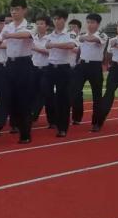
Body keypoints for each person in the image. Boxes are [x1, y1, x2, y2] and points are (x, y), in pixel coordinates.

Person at [0, 0, 33, 143]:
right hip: (9, 64)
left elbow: (26, 35)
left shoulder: (30, 25)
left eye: (17, 9)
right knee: (4, 95)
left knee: (22, 100)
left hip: (24, 64)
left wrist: (9, 35)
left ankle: (25, 134)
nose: (14, 12)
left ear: (24, 10)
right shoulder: (8, 26)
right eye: (12, 10)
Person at [45, 10, 80, 138]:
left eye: (58, 19)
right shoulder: (50, 35)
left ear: (64, 20)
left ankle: (62, 128)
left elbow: (70, 45)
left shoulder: (70, 34)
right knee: (48, 95)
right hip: (50, 67)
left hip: (64, 68)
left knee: (63, 98)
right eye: (54, 19)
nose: (56, 21)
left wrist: (54, 45)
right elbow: (47, 46)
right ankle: (52, 121)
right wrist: (55, 45)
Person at [71, 12, 106, 126]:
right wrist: (77, 61)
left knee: (97, 95)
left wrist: (82, 37)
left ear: (98, 24)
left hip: (95, 66)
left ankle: (96, 122)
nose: (90, 25)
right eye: (88, 22)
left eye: (92, 22)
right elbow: (79, 49)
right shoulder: (82, 35)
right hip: (82, 66)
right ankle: (76, 117)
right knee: (75, 92)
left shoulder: (102, 35)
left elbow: (92, 39)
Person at [30, 14, 53, 129]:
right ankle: (32, 116)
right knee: (33, 93)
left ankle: (52, 120)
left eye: (41, 23)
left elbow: (51, 52)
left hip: (46, 69)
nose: (39, 26)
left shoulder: (50, 38)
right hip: (34, 68)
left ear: (47, 26)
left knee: (46, 94)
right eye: (37, 23)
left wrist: (36, 48)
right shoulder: (32, 38)